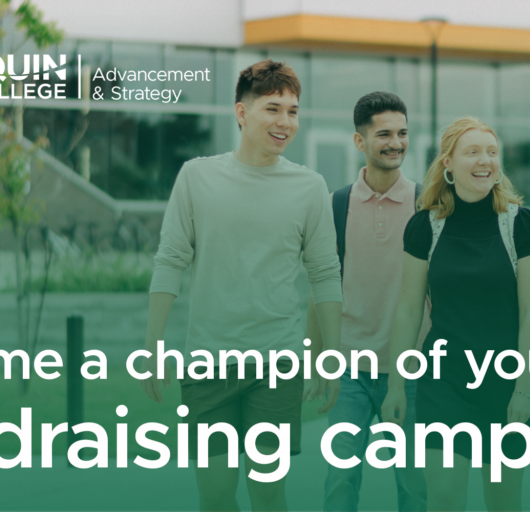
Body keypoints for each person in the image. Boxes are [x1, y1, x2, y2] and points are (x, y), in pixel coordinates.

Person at [141, 59, 344, 512]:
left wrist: (330, 357)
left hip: (276, 365)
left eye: (292, 111)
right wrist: (152, 348)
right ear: (241, 112)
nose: (284, 122)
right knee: (214, 495)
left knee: (268, 492)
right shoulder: (197, 176)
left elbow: (325, 273)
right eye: (272, 108)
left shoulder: (309, 187)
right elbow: (170, 261)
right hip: (207, 364)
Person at [381, 117, 530, 512]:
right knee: (444, 498)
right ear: (448, 164)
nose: (484, 160)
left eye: (492, 152)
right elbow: (407, 311)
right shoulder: (425, 227)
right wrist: (395, 385)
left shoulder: (521, 225)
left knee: (503, 503)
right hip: (445, 381)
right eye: (472, 152)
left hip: (506, 384)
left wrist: (525, 388)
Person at [305, 91, 428, 512]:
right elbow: (321, 289)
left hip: (412, 371)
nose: (396, 142)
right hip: (349, 371)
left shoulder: (426, 205)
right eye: (384, 134)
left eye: (402, 133)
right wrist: (317, 361)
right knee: (340, 481)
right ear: (360, 142)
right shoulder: (337, 205)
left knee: (415, 485)